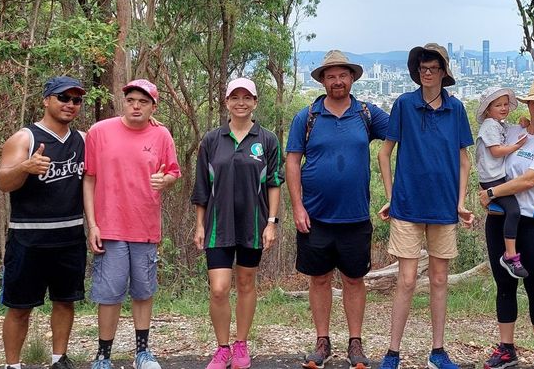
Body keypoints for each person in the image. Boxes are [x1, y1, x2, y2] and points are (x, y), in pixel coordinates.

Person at [286, 51, 390, 369]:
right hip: (315, 216)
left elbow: (402, 132)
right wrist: (297, 207)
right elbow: (292, 162)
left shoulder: (366, 114)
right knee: (318, 280)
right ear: (322, 80)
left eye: (342, 75)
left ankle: (355, 343)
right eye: (330, 76)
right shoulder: (308, 117)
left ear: (352, 78)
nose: (337, 81)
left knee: (354, 280)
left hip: (355, 215)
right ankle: (322, 341)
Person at [377, 43, 473, 369]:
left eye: (432, 68)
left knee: (439, 279)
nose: (427, 73)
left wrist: (461, 202)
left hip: (444, 207)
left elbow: (464, 161)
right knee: (405, 280)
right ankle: (392, 352)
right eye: (422, 68)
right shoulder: (404, 104)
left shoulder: (456, 109)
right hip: (407, 206)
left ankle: (438, 351)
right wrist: (391, 196)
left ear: (444, 72)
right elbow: (383, 154)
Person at [84, 79, 181, 369]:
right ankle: (103, 356)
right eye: (131, 100)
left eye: (143, 101)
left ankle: (143, 352)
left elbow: (174, 172)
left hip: (145, 226)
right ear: (123, 102)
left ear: (153, 106)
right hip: (110, 225)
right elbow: (89, 178)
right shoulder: (100, 132)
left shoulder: (162, 135)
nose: (136, 106)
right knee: (110, 293)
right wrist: (93, 224)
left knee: (143, 291)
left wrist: (165, 180)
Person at [0, 76, 88, 369]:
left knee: (65, 301)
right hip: (28, 238)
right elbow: (2, 182)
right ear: (47, 100)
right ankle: (13, 364)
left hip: (70, 235)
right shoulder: (25, 138)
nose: (70, 105)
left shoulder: (83, 139)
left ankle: (59, 359)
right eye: (63, 98)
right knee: (19, 307)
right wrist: (25, 167)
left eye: (76, 100)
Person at [192, 77, 284, 369]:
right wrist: (199, 224)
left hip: (253, 224)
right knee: (219, 288)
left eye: (247, 97)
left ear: (255, 102)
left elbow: (273, 183)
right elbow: (201, 187)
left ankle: (241, 344)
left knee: (246, 283)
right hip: (218, 225)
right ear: (226, 102)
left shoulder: (266, 139)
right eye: (235, 97)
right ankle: (222, 348)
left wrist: (271, 222)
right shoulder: (211, 140)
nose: (240, 102)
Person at [478, 80, 534, 369]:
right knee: (504, 285)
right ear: (528, 105)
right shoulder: (515, 131)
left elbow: (530, 180)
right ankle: (507, 348)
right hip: (499, 219)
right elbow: (489, 151)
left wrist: (491, 193)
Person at [474, 87, 529, 280]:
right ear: (488, 109)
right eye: (498, 105)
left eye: (506, 104)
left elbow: (510, 130)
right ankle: (510, 256)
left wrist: (523, 124)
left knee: (506, 209)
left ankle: (494, 204)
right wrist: (517, 146)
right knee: (514, 211)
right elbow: (496, 151)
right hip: (492, 178)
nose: (504, 108)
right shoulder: (489, 125)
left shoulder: (498, 124)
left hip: (495, 176)